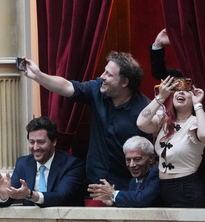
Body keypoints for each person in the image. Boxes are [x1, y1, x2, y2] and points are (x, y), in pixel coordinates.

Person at [21, 52, 149, 189]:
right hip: (95, 180)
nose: (102, 77)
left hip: (128, 184)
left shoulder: (144, 110)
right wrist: (38, 76)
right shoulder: (98, 89)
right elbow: (67, 86)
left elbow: (148, 154)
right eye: (104, 72)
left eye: (109, 74)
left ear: (124, 82)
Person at [136, 74, 205, 207]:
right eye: (178, 89)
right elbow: (141, 123)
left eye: (187, 91)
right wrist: (161, 97)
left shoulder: (198, 121)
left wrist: (198, 105)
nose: (181, 92)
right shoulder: (163, 120)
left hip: (187, 189)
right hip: (162, 187)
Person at [0, 116, 85, 207]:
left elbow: (61, 196)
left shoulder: (72, 164)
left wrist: (30, 195)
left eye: (41, 142)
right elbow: (11, 196)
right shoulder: (23, 163)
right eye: (32, 142)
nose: (35, 147)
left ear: (54, 142)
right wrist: (4, 194)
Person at [88, 136, 160, 207]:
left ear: (151, 158)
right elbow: (134, 203)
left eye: (137, 159)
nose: (132, 165)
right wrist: (113, 202)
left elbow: (142, 200)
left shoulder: (157, 175)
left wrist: (113, 194)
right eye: (128, 160)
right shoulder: (133, 182)